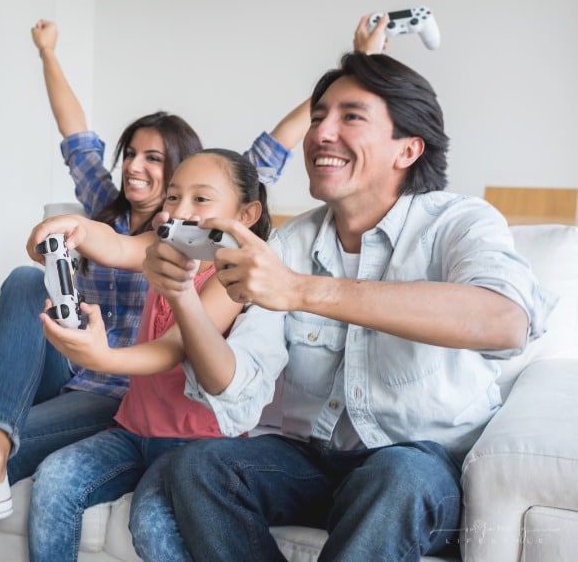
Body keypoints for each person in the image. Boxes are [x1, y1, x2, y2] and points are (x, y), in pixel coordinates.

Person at [132, 50, 557, 562]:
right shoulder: (290, 242)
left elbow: (504, 319)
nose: (320, 133)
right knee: (197, 467)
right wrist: (183, 298)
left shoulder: (461, 222)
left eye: (349, 116)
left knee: (397, 474)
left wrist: (302, 290)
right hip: (315, 461)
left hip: (422, 470)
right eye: (317, 118)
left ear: (407, 149)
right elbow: (237, 383)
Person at [0, 18, 303, 561]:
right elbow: (95, 194)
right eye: (132, 156)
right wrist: (67, 229)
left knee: (135, 514)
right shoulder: (130, 220)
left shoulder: (231, 264)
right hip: (89, 373)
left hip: (125, 388)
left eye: (156, 161)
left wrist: (328, 94)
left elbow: (269, 153)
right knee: (24, 282)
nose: (137, 169)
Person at [24, 148, 270, 561]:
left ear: (245, 215)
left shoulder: (234, 277)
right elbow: (117, 245)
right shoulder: (164, 248)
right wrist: (74, 227)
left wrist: (102, 357)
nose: (180, 209)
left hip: (194, 447)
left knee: (152, 523)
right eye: (173, 197)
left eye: (201, 199)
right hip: (132, 430)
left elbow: (172, 349)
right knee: (54, 478)